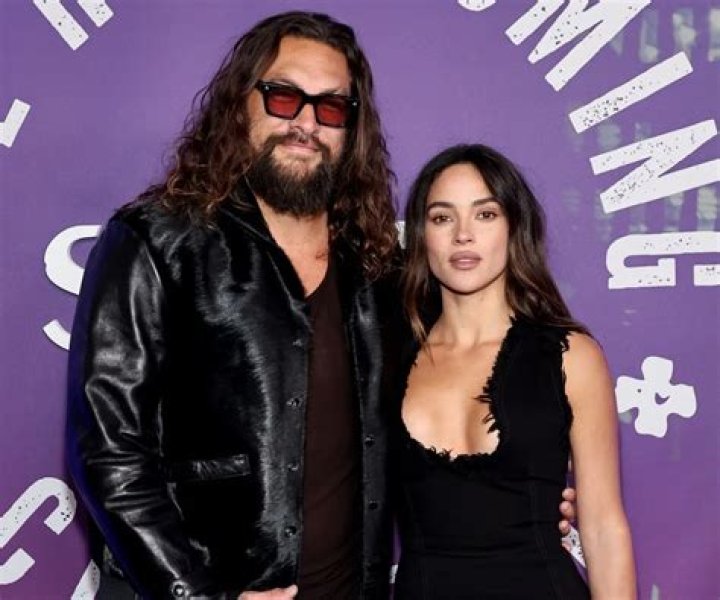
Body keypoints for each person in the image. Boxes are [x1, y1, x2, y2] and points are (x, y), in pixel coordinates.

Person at [66, 11, 577, 600]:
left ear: (351, 129)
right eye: (284, 97)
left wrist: (521, 490)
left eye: (331, 108)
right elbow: (109, 453)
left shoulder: (380, 270)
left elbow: (452, 400)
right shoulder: (157, 241)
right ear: (239, 104)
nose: (306, 123)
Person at [393, 144, 636, 599]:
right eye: (442, 217)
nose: (463, 235)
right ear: (421, 236)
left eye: (485, 214)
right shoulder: (386, 360)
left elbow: (604, 527)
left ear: (514, 227)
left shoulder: (571, 356)